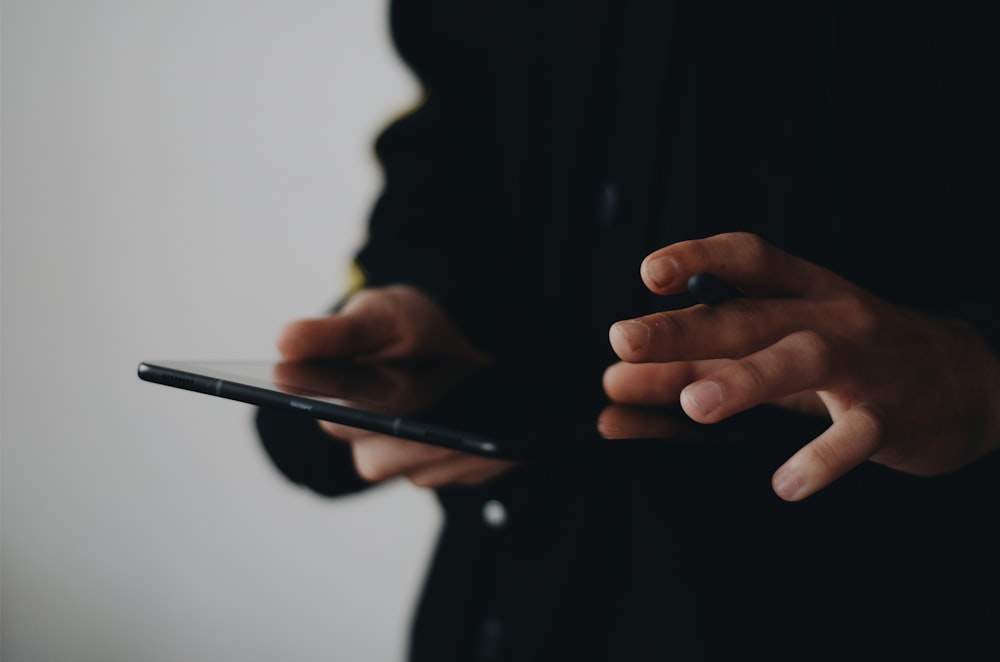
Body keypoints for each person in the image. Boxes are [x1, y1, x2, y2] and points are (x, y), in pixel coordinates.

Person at [256, 2, 1000, 660]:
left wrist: (977, 373)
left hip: (883, 612)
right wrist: (432, 297)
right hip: (509, 607)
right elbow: (452, 145)